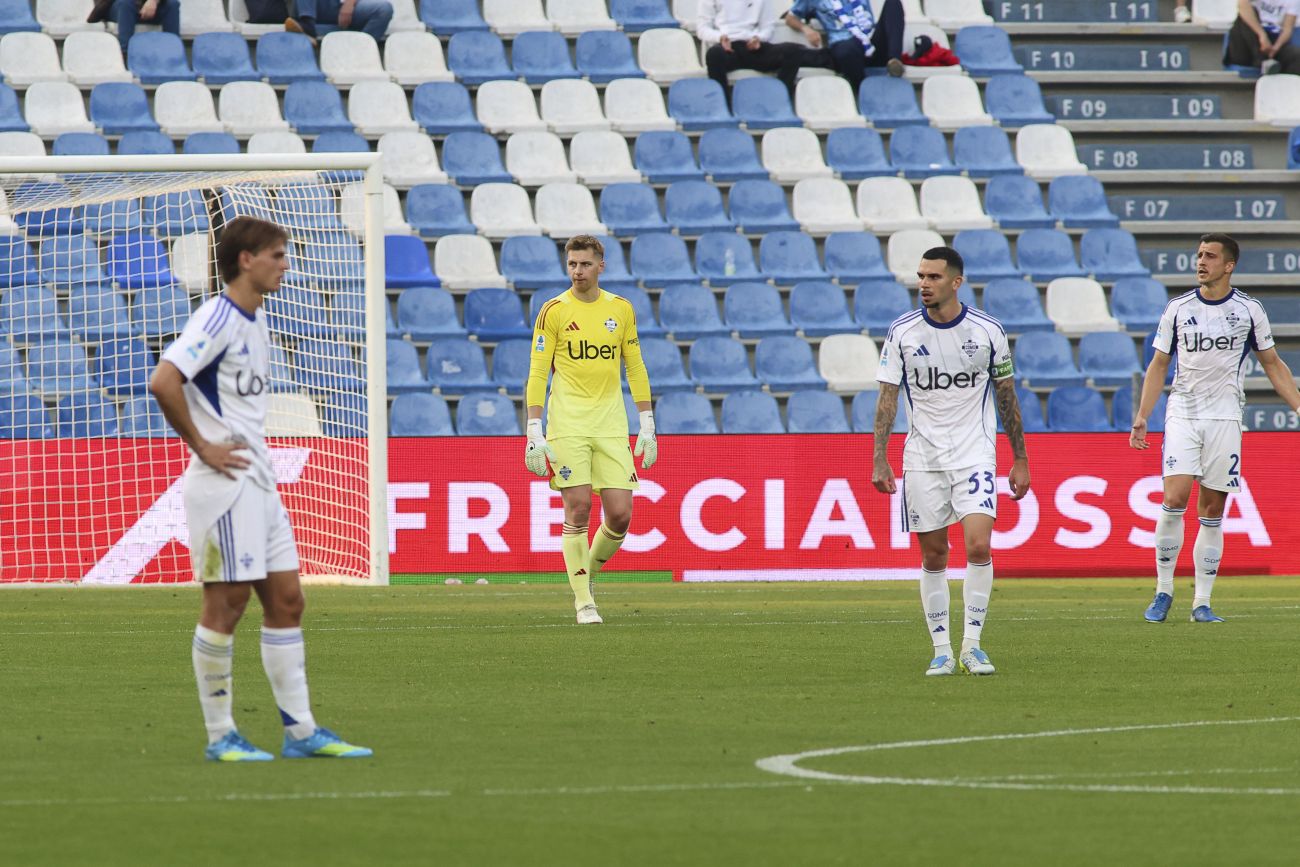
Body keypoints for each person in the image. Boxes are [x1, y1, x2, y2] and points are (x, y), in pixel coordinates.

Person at [150, 217, 372, 762]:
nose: (285, 264)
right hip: (223, 485)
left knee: (288, 601)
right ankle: (220, 735)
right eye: (277, 254)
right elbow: (164, 379)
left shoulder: (257, 320)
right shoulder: (218, 317)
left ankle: (300, 733)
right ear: (246, 259)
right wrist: (203, 446)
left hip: (259, 482)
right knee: (225, 606)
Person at [871, 247, 1031, 677]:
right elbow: (887, 397)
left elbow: (1006, 396)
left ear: (956, 282)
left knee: (978, 545)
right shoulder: (902, 332)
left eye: (934, 277)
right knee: (935, 554)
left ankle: (972, 645)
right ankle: (941, 649)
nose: (924, 284)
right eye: (921, 276)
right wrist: (879, 458)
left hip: (975, 453)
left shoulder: (988, 331)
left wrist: (1020, 458)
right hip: (922, 458)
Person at [1130, 233, 1300, 624]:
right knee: (1174, 497)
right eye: (1198, 255)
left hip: (1225, 416)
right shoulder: (1178, 308)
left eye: (1209, 256)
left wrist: (1297, 404)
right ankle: (1163, 591)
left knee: (1212, 510)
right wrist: (1143, 415)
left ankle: (1201, 603)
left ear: (1229, 266)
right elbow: (1158, 365)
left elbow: (1272, 362)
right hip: (1184, 413)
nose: (1200, 262)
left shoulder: (1249, 310)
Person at [524, 236, 658, 625]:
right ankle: (583, 602)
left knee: (619, 515)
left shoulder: (621, 309)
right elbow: (537, 372)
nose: (577, 271)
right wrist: (535, 428)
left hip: (612, 424)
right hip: (568, 424)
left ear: (601, 266)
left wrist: (647, 424)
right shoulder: (553, 310)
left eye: (584, 264)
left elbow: (635, 367)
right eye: (571, 264)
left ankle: (585, 576)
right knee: (578, 507)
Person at [781, 0, 906, 97]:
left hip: (871, 42)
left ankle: (894, 62)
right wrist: (806, 29)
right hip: (845, 45)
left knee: (893, 2)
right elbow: (790, 17)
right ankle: (863, 91)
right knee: (846, 49)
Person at [698, 0, 787, 106]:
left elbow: (768, 27)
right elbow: (702, 29)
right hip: (727, 47)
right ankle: (723, 106)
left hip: (753, 47)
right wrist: (720, 37)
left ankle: (778, 103)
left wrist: (759, 38)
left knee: (792, 51)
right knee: (714, 54)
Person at [1223, 0, 1300, 75]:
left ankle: (1288, 83)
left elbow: (1287, 29)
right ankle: (1263, 62)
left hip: (1273, 43)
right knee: (1244, 17)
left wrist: (1276, 47)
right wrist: (1262, 35)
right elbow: (1242, 4)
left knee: (1296, 54)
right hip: (1247, 45)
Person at [89, 0, 180, 55]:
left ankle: (174, 54)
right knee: (126, 3)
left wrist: (153, 1)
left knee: (172, 4)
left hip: (149, 6)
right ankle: (125, 55)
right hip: (118, 6)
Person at [287, 0, 394, 43]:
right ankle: (307, 25)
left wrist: (349, 3)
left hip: (346, 7)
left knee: (384, 9)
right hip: (313, 7)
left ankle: (361, 49)